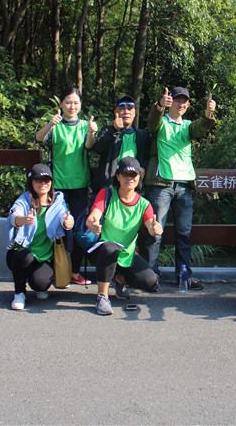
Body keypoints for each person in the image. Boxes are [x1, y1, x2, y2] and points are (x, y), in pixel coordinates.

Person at [144, 86, 217, 288]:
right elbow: (151, 123)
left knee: (184, 234)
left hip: (184, 185)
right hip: (161, 184)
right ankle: (151, 276)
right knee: (155, 232)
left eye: (184, 101)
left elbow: (201, 127)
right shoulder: (161, 123)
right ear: (170, 102)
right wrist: (159, 106)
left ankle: (183, 275)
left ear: (188, 105)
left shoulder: (187, 126)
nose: (181, 104)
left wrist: (209, 114)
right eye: (177, 100)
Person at [35, 87, 97, 286]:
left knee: (79, 229)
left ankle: (75, 271)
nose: (72, 106)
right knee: (55, 228)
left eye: (76, 103)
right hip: (58, 187)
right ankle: (54, 271)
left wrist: (91, 133)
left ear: (81, 105)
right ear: (61, 104)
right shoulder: (56, 125)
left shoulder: (84, 126)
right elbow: (38, 138)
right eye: (68, 102)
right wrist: (49, 124)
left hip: (79, 186)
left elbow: (89, 147)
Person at [84, 157, 162, 315]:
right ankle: (102, 296)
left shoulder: (144, 204)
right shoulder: (107, 194)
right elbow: (95, 214)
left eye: (133, 175)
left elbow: (150, 226)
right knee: (110, 248)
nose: (129, 178)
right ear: (118, 176)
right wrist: (92, 222)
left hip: (127, 254)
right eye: (125, 174)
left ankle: (118, 279)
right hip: (102, 251)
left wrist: (154, 229)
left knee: (151, 282)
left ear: (139, 178)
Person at [6, 164, 74, 310]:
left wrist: (68, 222)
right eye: (38, 180)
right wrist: (23, 219)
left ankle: (36, 284)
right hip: (22, 252)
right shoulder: (25, 199)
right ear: (31, 182)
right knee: (24, 257)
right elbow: (14, 215)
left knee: (41, 283)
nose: (42, 184)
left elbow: (65, 216)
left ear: (51, 182)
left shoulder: (58, 200)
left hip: (45, 255)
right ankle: (19, 292)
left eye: (46, 180)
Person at [90, 94, 151, 196]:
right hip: (110, 183)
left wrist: (143, 167)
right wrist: (114, 129)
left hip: (133, 183)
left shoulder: (142, 135)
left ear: (135, 112)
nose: (126, 111)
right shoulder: (107, 131)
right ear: (116, 112)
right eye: (122, 107)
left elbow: (148, 156)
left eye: (130, 107)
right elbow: (98, 149)